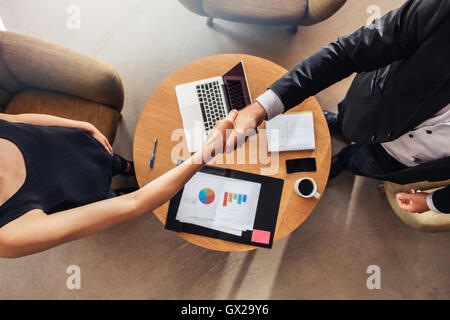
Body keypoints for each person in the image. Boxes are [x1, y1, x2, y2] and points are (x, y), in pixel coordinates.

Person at [226, 0, 450, 214]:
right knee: (348, 118)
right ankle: (341, 123)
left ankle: (344, 161)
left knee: (360, 162)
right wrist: (259, 109)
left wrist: (433, 202)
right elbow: (346, 53)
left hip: (402, 161)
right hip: (374, 106)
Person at [0, 110, 238, 258]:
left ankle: (126, 167)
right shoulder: (8, 235)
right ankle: (121, 186)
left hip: (85, 148)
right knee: (119, 196)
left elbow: (18, 120)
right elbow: (135, 203)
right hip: (90, 195)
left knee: (116, 163)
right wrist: (206, 152)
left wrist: (77, 125)